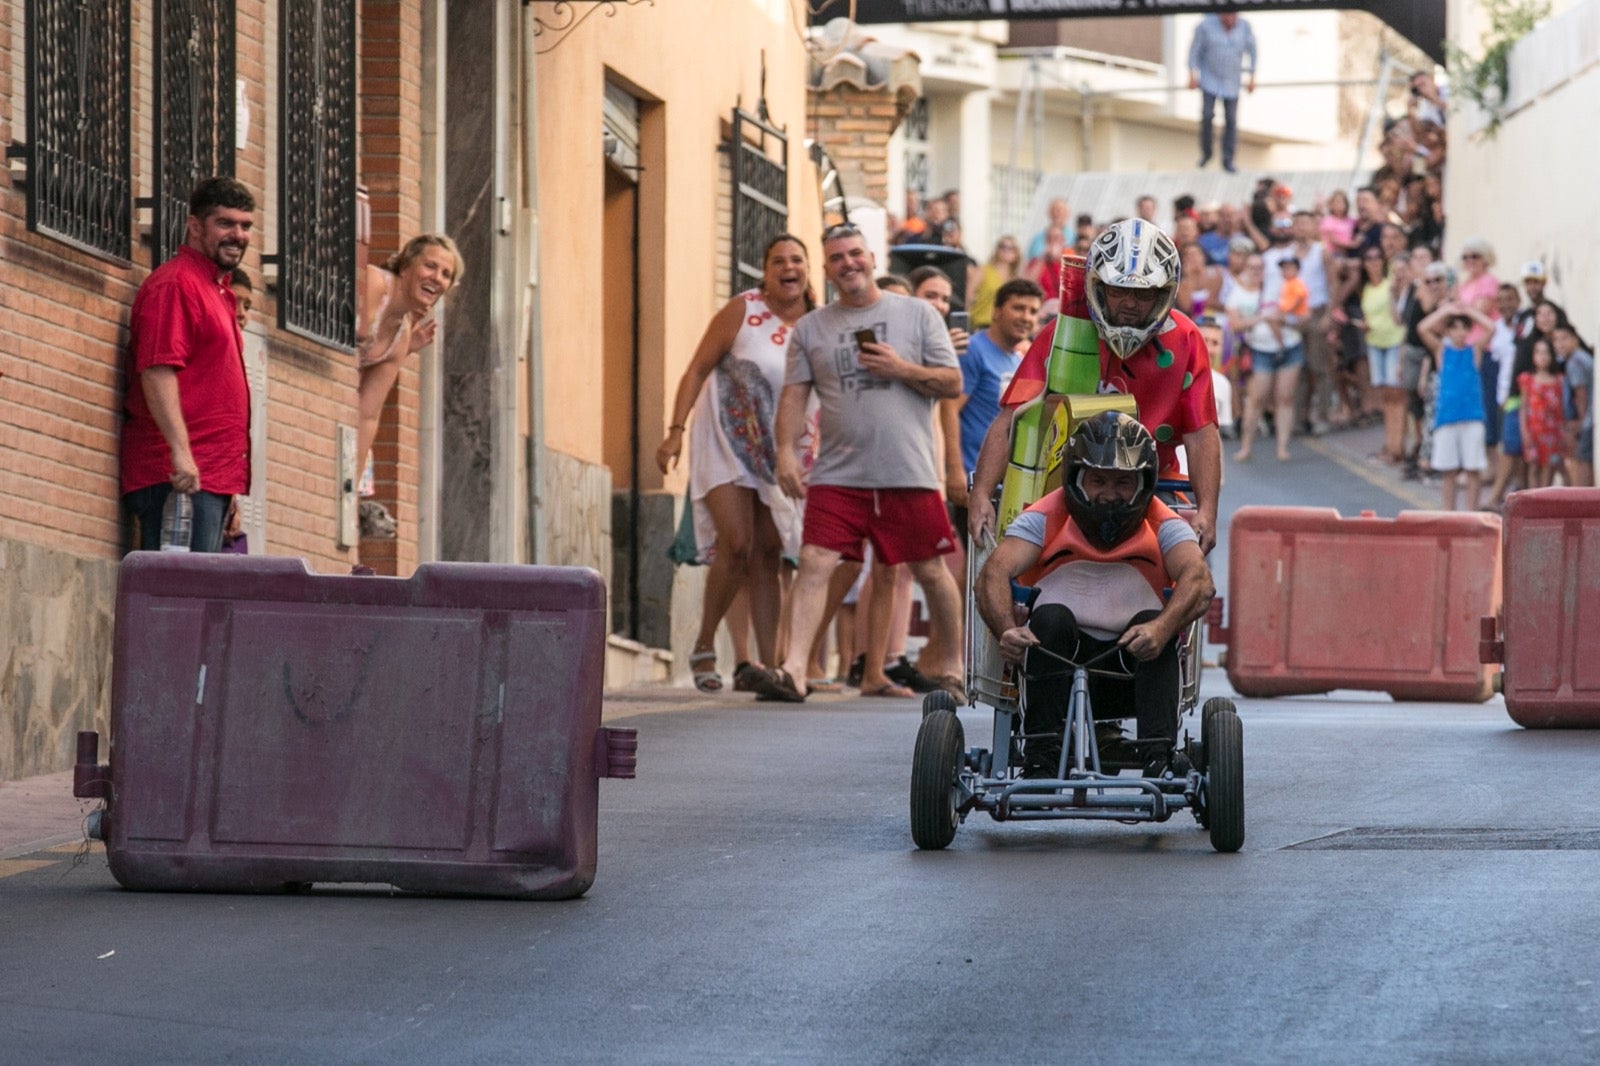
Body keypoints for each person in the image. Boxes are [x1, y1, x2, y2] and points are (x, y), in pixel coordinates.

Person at [773, 224, 965, 702]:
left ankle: (954, 665)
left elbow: (950, 382)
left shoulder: (918, 314)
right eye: (837, 257)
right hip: (839, 472)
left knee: (929, 569)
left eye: (855, 253)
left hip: (908, 470)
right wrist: (783, 452)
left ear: (872, 258)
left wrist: (901, 369)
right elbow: (794, 397)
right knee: (815, 560)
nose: (848, 263)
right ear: (828, 268)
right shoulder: (811, 328)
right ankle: (794, 668)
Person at [976, 413, 1214, 778]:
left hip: (1131, 669)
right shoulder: (1044, 517)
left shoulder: (1163, 522)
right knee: (1050, 618)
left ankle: (1158, 756)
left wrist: (1162, 629)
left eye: (1123, 483)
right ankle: (1042, 749)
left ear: (1142, 483)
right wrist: (1006, 630)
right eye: (1098, 481)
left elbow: (1199, 580)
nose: (1108, 494)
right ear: (1076, 478)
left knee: (1154, 624)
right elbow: (993, 572)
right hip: (1056, 667)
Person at [968, 219, 1222, 556]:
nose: (1130, 303)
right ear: (1097, 287)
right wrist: (982, 493)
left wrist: (1207, 510)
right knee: (1001, 575)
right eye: (1118, 291)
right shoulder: (1063, 333)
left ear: (1164, 293)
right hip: (1059, 491)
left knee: (1192, 579)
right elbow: (1012, 418)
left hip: (1152, 490)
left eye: (1143, 294)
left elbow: (1201, 433)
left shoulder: (1187, 339)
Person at [657, 234, 814, 701]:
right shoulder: (743, 310)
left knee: (770, 552)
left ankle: (770, 669)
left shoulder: (817, 323)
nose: (788, 268)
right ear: (764, 271)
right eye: (778, 261)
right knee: (739, 543)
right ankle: (705, 645)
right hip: (724, 439)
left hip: (778, 451)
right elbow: (696, 369)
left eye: (797, 260)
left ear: (808, 269)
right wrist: (675, 430)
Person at [121, 177, 255, 554]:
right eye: (225, 224)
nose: (238, 235)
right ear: (195, 226)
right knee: (176, 603)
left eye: (245, 226)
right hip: (177, 483)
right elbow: (157, 369)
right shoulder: (176, 285)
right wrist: (181, 454)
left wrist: (229, 490)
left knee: (197, 604)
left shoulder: (216, 289)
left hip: (207, 481)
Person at [355, 232, 462, 526]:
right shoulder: (375, 285)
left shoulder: (401, 336)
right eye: (430, 266)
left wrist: (350, 483)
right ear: (405, 266)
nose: (437, 278)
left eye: (446, 275)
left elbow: (368, 414)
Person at [1418, 302, 1495, 510]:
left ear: (1469, 331)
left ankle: (1472, 513)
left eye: (1463, 328)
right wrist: (1445, 311)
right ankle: (1449, 513)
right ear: (1448, 330)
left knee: (1473, 468)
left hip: (1472, 416)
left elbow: (1491, 327)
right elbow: (1422, 328)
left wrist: (1469, 311)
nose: (1459, 332)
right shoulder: (1442, 351)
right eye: (1454, 327)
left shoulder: (1475, 350)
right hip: (1447, 416)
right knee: (1448, 470)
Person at [1228, 253, 1301, 463]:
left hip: (1289, 346)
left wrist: (1283, 317)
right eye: (1252, 267)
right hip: (1260, 349)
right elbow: (1236, 324)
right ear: (1246, 270)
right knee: (1256, 398)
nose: (1256, 271)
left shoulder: (1279, 287)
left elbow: (1296, 311)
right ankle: (1246, 446)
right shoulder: (1238, 294)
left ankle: (1282, 446)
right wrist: (1262, 317)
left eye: (1260, 267)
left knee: (1285, 397)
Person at [1188, 10, 1256, 172]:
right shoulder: (1205, 25)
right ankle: (1206, 152)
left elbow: (1253, 52)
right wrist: (1192, 73)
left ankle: (1228, 159)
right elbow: (1194, 51)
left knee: (1231, 119)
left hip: (1232, 80)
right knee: (1207, 115)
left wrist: (1252, 76)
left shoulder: (1245, 27)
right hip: (1209, 78)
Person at [1517, 336, 1567, 489]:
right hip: (1533, 430)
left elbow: (1562, 408)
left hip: (1552, 430)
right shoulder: (1528, 379)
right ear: (1532, 356)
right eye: (1538, 352)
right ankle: (1534, 498)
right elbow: (1524, 407)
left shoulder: (1559, 380)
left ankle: (1544, 497)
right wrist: (1524, 431)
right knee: (1533, 466)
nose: (1542, 356)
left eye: (1546, 353)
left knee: (1549, 466)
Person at [1553, 324, 1594, 486]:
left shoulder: (1575, 361)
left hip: (1587, 420)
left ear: (1575, 339)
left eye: (1564, 338)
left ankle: (1584, 503)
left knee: (1581, 461)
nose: (1560, 344)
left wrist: (1581, 423)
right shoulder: (1581, 358)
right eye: (1556, 340)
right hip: (1589, 418)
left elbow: (1581, 395)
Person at [969, 236, 1022, 330]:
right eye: (1003, 246)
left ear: (1016, 253)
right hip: (982, 324)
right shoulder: (983, 270)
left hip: (1007, 328)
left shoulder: (1015, 279)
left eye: (1011, 248)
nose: (1006, 250)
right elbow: (969, 297)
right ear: (997, 250)